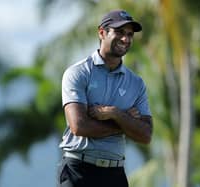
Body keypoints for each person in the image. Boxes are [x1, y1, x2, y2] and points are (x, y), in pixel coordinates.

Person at [58, 9, 153, 187]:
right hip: (78, 171)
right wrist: (126, 123)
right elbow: (79, 126)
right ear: (102, 33)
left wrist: (115, 113)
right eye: (119, 32)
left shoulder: (136, 83)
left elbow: (145, 134)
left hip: (115, 174)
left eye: (129, 34)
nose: (125, 39)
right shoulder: (78, 73)